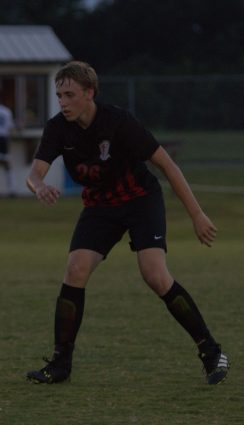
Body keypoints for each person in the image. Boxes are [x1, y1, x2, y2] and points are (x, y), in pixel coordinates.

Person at [25, 61, 228, 386]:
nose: (62, 102)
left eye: (70, 95)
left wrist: (197, 214)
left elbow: (167, 166)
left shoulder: (119, 122)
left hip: (139, 200)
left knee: (154, 274)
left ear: (89, 93)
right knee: (75, 270)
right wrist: (41, 186)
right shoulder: (57, 128)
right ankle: (61, 363)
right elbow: (34, 174)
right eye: (59, 95)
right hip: (100, 207)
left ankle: (211, 350)